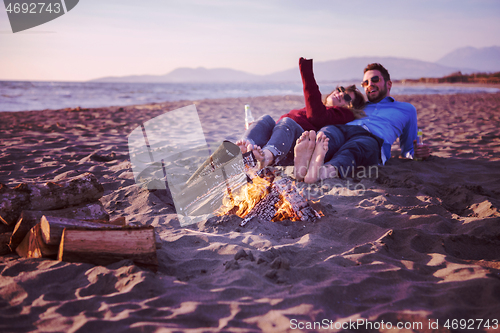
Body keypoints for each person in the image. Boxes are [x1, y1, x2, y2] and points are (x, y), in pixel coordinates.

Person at [295, 62, 430, 183]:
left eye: (375, 80)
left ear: (389, 84)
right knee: (326, 134)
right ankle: (309, 163)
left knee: (355, 148)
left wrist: (416, 154)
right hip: (342, 129)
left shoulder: (407, 109)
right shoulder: (357, 107)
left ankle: (322, 172)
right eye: (365, 83)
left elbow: (407, 150)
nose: (369, 85)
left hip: (372, 137)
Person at [236, 58, 366, 178]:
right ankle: (245, 149)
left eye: (347, 97)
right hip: (280, 141)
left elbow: (317, 117)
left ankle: (265, 158)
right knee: (266, 120)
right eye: (340, 89)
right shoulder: (320, 107)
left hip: (295, 149)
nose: (341, 94)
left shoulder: (343, 114)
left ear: (351, 107)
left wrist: (306, 70)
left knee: (287, 122)